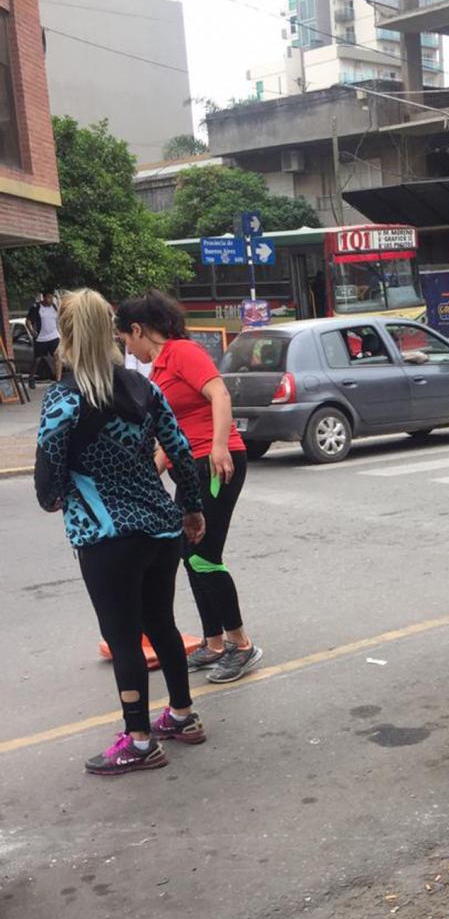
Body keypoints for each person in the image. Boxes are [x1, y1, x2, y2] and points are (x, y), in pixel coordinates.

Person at [34, 289, 207, 774]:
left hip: (106, 537)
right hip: (158, 528)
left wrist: (55, 498)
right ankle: (183, 715)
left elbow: (47, 476)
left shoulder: (63, 399)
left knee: (124, 636)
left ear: (66, 336)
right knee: (162, 624)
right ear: (110, 331)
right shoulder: (143, 388)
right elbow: (178, 446)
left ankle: (138, 741)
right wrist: (190, 509)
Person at [115, 291, 262, 683]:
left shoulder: (181, 352)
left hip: (217, 462)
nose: (127, 349)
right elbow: (169, 438)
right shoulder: (159, 370)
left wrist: (217, 445)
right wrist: (143, 478)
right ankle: (213, 643)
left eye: (126, 340)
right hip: (191, 466)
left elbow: (220, 393)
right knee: (188, 554)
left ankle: (242, 644)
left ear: (138, 330)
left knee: (204, 555)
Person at [26, 289, 60, 388]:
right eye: (49, 297)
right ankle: (31, 378)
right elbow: (28, 321)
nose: (51, 300)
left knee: (57, 357)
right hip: (41, 338)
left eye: (52, 297)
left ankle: (58, 380)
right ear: (44, 297)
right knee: (37, 360)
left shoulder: (54, 307)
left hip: (54, 336)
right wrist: (32, 331)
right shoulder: (36, 307)